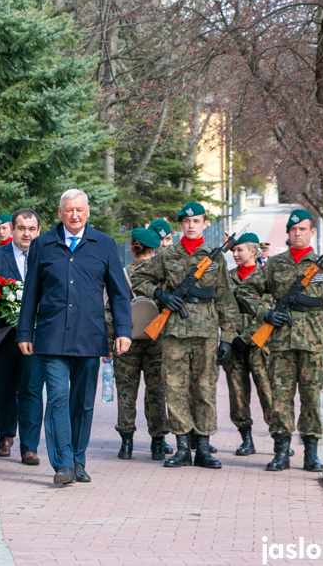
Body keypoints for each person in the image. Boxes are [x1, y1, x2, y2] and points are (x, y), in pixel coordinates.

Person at [17, 189, 132, 485]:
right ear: (60, 212)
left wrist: (123, 331)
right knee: (57, 398)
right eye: (69, 210)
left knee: (82, 402)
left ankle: (79, 460)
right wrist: (24, 331)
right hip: (51, 336)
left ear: (88, 211)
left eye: (79, 209)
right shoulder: (42, 245)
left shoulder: (104, 245)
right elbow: (31, 293)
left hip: (89, 336)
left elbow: (120, 294)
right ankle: (63, 465)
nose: (74, 215)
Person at [237, 209, 323, 472]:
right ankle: (281, 452)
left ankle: (311, 454)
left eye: (302, 229)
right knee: (280, 399)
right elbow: (245, 289)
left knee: (311, 399)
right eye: (293, 229)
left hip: (313, 344)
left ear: (312, 232)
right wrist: (266, 313)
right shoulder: (275, 265)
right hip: (282, 344)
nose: (297, 234)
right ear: (288, 233)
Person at [133, 201, 237, 470]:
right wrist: (160, 294)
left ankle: (203, 448)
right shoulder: (167, 256)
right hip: (175, 333)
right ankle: (181, 448)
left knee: (204, 390)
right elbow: (138, 278)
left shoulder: (214, 258)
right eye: (186, 222)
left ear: (204, 224)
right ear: (180, 226)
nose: (191, 225)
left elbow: (226, 300)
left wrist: (227, 337)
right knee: (175, 390)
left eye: (196, 221)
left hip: (206, 333)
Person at [0, 208, 44, 464]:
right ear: (13, 230)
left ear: (38, 231)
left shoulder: (48, 256)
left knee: (32, 388)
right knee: (5, 386)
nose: (26, 233)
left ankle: (29, 446)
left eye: (31, 229)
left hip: (37, 336)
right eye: (21, 228)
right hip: (6, 335)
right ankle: (5, 436)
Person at [109, 227, 171, 461]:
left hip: (127, 340)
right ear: (154, 248)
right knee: (157, 392)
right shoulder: (161, 275)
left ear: (132, 247)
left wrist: (110, 341)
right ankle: (158, 443)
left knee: (126, 393)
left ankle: (126, 444)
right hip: (157, 341)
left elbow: (110, 310)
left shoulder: (122, 273)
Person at [227, 232, 273, 456]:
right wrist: (231, 338)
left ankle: (279, 437)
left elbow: (269, 310)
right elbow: (224, 308)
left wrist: (247, 337)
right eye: (234, 250)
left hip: (259, 342)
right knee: (237, 393)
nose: (235, 254)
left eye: (239, 250)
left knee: (268, 391)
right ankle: (246, 439)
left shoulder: (266, 277)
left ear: (253, 252)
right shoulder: (227, 278)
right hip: (234, 343)